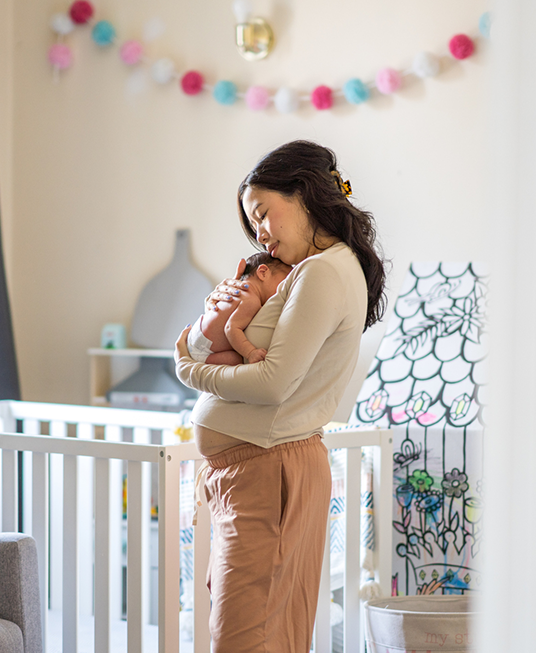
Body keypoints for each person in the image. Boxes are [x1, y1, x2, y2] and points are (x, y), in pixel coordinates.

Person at [175, 140, 386, 652]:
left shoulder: (324, 271)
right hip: (256, 472)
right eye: (253, 225)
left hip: (268, 473)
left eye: (263, 214)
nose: (260, 234)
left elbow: (271, 384)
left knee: (248, 637)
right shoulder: (311, 273)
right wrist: (206, 327)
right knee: (264, 632)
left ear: (304, 194)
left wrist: (188, 369)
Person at [186, 251, 293, 366]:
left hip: (195, 335)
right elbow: (231, 328)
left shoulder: (238, 290)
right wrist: (250, 352)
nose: (287, 291)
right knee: (238, 360)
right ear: (263, 273)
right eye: (285, 283)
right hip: (203, 351)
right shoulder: (251, 300)